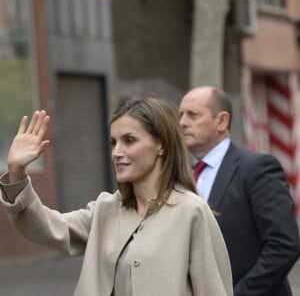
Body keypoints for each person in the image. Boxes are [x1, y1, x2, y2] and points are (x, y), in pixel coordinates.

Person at [0, 96, 233, 296]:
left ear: (161, 145)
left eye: (129, 140)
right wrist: (17, 172)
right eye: (113, 142)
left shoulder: (191, 212)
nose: (117, 152)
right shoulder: (106, 209)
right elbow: (46, 227)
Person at [179, 86, 300, 296]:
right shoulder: (182, 177)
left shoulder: (257, 168)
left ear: (222, 121)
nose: (182, 122)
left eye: (193, 115)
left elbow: (284, 245)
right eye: (180, 114)